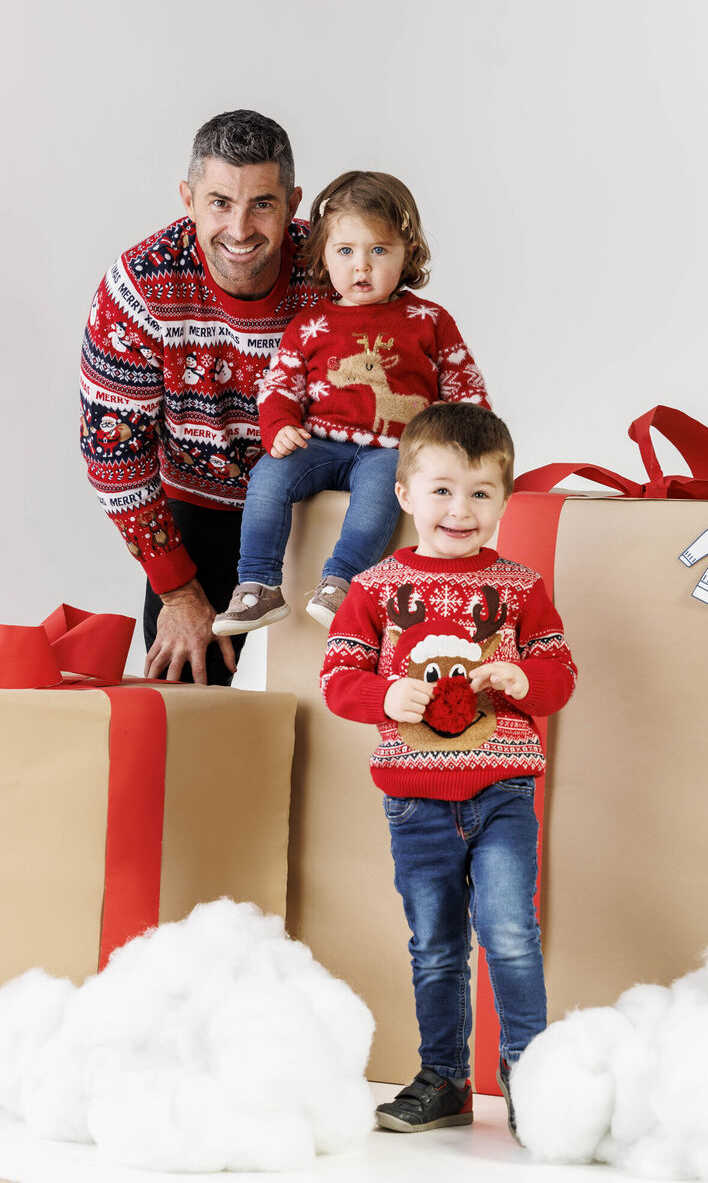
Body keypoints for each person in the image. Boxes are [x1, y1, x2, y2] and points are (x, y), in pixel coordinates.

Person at [319, 403, 578, 1137]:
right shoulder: (372, 588)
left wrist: (529, 679)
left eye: (480, 492)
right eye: (441, 490)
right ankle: (445, 1079)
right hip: (415, 800)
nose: (459, 510)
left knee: (510, 932)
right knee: (435, 946)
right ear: (404, 493)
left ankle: (532, 1077)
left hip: (502, 791)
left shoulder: (521, 588)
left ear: (503, 498)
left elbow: (559, 671)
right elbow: (339, 680)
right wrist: (383, 692)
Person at [80, 110, 320, 685]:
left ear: (293, 202)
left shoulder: (337, 267)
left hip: (321, 516)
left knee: (336, 714)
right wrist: (179, 593)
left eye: (262, 203)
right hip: (196, 519)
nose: (239, 228)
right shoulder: (139, 287)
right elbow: (114, 458)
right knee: (193, 720)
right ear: (188, 198)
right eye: (219, 202)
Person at [211, 171, 489, 637]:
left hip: (392, 451)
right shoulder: (311, 322)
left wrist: (467, 447)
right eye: (346, 251)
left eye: (378, 251)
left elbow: (464, 390)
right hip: (320, 445)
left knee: (381, 491)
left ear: (408, 253)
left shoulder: (429, 320)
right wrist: (279, 425)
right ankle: (258, 584)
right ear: (322, 254)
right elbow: (279, 384)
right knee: (267, 477)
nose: (362, 266)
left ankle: (340, 582)